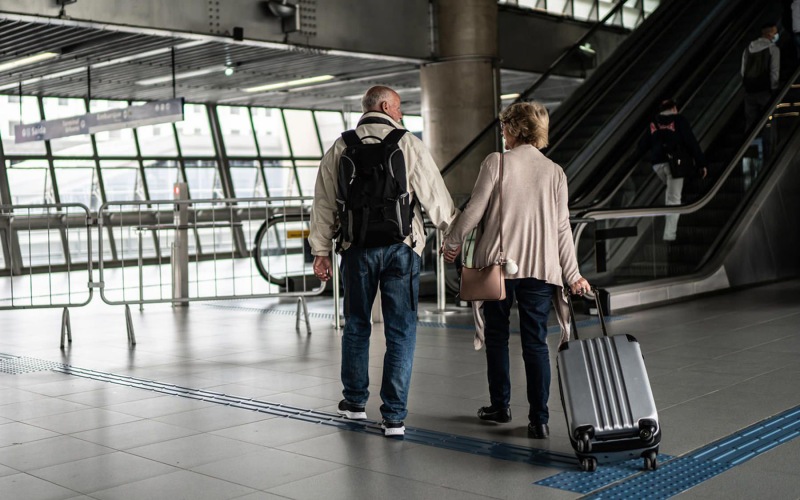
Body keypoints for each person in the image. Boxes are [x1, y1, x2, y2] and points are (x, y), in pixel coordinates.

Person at [308, 85, 457, 437]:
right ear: (386, 106)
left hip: (356, 248)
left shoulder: (341, 146)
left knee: (357, 325)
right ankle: (394, 417)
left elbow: (324, 203)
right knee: (401, 330)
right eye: (399, 107)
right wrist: (454, 239)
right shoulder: (407, 143)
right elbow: (436, 197)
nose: (401, 113)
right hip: (401, 247)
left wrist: (320, 251)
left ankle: (356, 403)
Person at [441, 102, 590, 440]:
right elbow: (562, 228)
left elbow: (473, 211)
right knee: (536, 342)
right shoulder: (555, 172)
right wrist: (573, 274)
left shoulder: (497, 163)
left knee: (497, 336)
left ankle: (500, 405)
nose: (503, 133)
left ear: (516, 129)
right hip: (540, 268)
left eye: (505, 127)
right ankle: (539, 419)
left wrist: (452, 243)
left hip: (497, 267)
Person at [639, 99, 707, 242]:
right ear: (674, 108)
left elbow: (642, 145)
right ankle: (670, 235)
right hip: (675, 164)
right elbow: (691, 141)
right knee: (673, 199)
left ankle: (671, 229)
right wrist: (701, 163)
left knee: (672, 194)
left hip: (657, 165)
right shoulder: (679, 119)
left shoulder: (654, 121)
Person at [742, 22, 780, 130]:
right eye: (775, 32)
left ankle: (749, 145)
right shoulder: (773, 49)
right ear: (769, 34)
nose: (776, 34)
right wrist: (774, 89)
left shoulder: (748, 48)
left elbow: (743, 71)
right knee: (770, 120)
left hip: (749, 91)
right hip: (765, 91)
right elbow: (774, 72)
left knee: (750, 122)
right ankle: (770, 145)